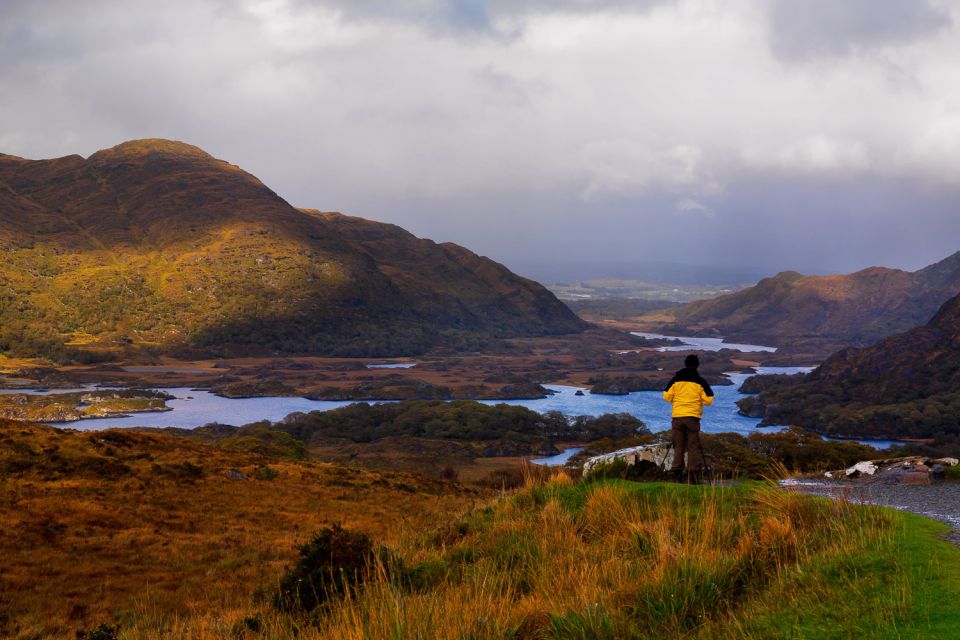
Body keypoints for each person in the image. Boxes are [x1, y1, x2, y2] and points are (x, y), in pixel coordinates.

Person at [662, 354, 714, 483]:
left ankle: (676, 472)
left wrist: (678, 400)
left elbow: (666, 396)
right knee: (693, 446)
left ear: (685, 364)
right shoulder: (700, 381)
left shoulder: (676, 379)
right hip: (692, 417)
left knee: (678, 446)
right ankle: (693, 474)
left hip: (677, 417)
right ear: (697, 365)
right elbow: (709, 400)